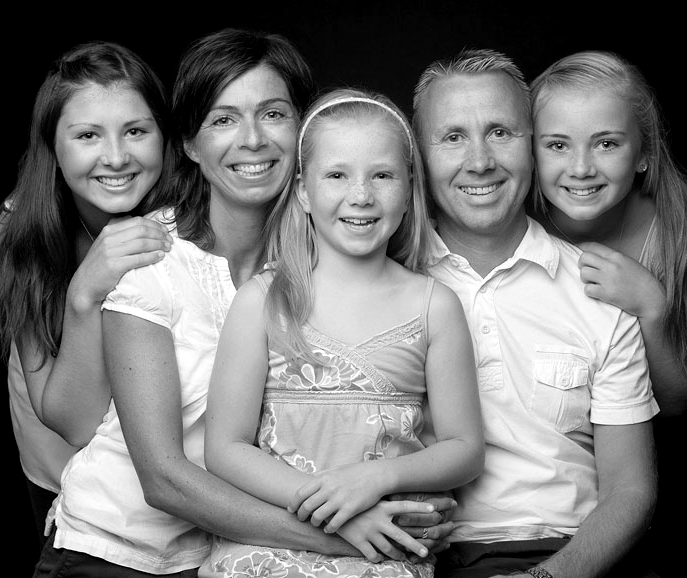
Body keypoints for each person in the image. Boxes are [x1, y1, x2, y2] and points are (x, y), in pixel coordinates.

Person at [34, 29, 451, 577]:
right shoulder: (152, 260)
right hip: (117, 551)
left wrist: (411, 510)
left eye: (274, 114)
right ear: (189, 143)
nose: (252, 140)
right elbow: (163, 479)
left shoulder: (345, 254)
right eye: (224, 120)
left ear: (304, 131)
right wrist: (354, 535)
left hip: (239, 559)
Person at [197, 88, 485, 578]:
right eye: (337, 175)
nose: (361, 195)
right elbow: (225, 448)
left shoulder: (434, 306)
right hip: (271, 549)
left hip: (383, 554)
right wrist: (334, 510)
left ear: (408, 187)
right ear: (303, 191)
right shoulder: (263, 301)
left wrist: (376, 478)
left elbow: (465, 448)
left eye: (382, 175)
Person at [411, 48, 661, 578]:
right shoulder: (384, 281)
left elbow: (631, 490)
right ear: (418, 157)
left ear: (532, 145)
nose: (480, 161)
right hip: (415, 559)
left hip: (566, 556)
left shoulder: (599, 294)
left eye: (500, 132)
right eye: (453, 137)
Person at [0, 40, 174, 550]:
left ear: (165, 136)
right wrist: (84, 290)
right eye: (88, 135)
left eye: (136, 131)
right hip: (60, 467)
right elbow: (73, 421)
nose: (116, 157)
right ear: (53, 147)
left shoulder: (188, 216)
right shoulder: (18, 232)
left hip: (163, 476)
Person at [528, 50, 687, 416]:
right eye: (557, 145)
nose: (581, 169)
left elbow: (683, 395)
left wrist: (651, 306)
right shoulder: (514, 222)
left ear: (644, 153)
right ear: (529, 152)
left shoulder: (675, 225)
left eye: (606, 144)